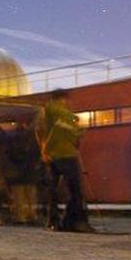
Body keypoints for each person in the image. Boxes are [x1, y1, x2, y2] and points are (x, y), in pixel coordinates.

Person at [36, 90, 93, 232]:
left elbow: (39, 132)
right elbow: (72, 133)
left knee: (52, 191)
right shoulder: (64, 113)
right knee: (74, 190)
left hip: (51, 156)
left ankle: (53, 220)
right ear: (63, 99)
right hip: (66, 153)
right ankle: (76, 220)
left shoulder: (44, 113)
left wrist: (44, 151)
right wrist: (80, 131)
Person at [5, 119, 41, 224]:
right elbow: (36, 154)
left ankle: (20, 217)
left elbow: (8, 155)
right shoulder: (33, 139)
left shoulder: (11, 138)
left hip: (17, 173)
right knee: (30, 196)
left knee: (18, 196)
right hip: (29, 172)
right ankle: (32, 215)